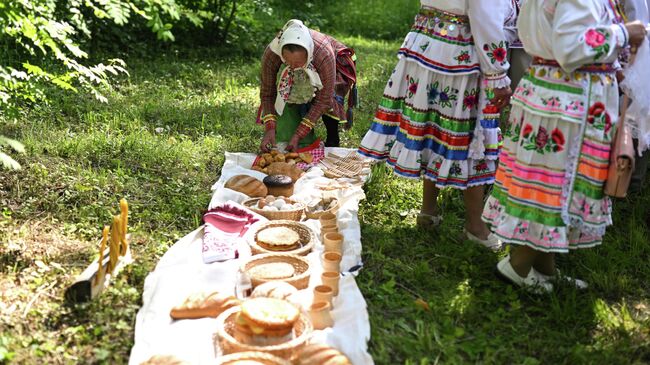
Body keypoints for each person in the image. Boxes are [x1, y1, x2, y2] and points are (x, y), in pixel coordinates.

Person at [482, 0, 647, 292]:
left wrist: (612, 65)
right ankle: (517, 265)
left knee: (548, 182)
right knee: (557, 185)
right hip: (568, 104)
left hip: (552, 93)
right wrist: (624, 33)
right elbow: (570, 47)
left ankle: (544, 268)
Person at [357, 0, 513, 250]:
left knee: (433, 129)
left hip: (429, 43)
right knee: (470, 139)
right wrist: (497, 73)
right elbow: (485, 16)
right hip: (460, 54)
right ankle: (475, 226)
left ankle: (428, 212)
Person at [258, 20, 357, 152]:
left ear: (308, 53)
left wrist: (298, 135)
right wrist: (270, 128)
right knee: (290, 91)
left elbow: (323, 100)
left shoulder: (324, 55)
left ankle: (333, 138)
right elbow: (267, 93)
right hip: (308, 64)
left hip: (335, 63)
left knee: (331, 98)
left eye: (297, 62)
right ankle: (299, 129)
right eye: (287, 61)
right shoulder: (272, 54)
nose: (292, 66)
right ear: (281, 53)